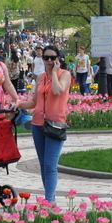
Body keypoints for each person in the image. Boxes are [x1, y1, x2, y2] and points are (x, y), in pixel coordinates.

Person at [16, 45, 72, 202]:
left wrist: (54, 73)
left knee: (50, 165)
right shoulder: (40, 77)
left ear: (58, 59)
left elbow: (57, 90)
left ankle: (49, 200)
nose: (49, 60)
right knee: (43, 164)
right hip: (38, 123)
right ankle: (50, 198)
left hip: (55, 123)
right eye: (46, 57)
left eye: (52, 58)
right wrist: (19, 104)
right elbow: (34, 101)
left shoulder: (64, 74)